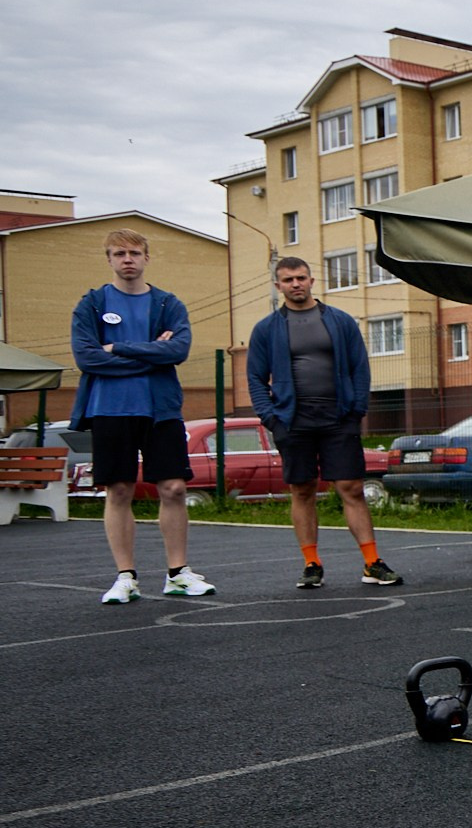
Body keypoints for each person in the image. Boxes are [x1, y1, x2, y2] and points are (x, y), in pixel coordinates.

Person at [69, 229, 216, 604]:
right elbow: (87, 359)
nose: (127, 259)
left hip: (160, 409)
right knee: (118, 491)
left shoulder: (169, 305)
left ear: (147, 258)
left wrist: (117, 347)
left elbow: (178, 351)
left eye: (134, 252)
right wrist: (151, 354)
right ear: (109, 259)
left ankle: (178, 573)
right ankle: (125, 577)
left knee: (175, 489)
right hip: (109, 409)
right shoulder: (92, 304)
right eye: (119, 253)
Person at [246, 257, 401, 588]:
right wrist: (271, 418)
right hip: (292, 420)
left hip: (338, 418)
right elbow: (256, 379)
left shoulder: (340, 322)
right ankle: (311, 564)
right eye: (288, 280)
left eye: (301, 277)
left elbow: (360, 368)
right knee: (302, 490)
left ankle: (372, 562)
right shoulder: (266, 329)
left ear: (312, 280)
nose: (296, 284)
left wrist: (356, 410)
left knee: (352, 488)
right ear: (278, 286)